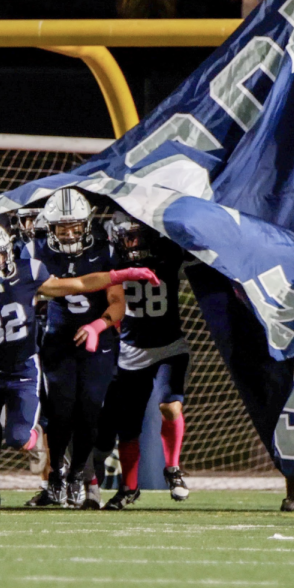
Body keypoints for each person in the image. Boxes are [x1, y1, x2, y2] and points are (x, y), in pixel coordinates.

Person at [0, 221, 158, 510]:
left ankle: (37, 437)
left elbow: (78, 284)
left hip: (22, 371)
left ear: (7, 254)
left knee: (16, 438)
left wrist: (122, 274)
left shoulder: (30, 273)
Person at [29, 188, 125, 509]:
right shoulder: (38, 250)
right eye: (62, 226)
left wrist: (98, 325)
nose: (69, 232)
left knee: (89, 411)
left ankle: (76, 478)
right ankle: (57, 471)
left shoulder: (104, 249)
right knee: (60, 411)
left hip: (98, 341)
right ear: (50, 226)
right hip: (59, 337)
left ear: (86, 224)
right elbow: (36, 288)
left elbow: (116, 302)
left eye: (74, 226)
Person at [97, 212, 191, 510]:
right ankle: (129, 488)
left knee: (169, 405)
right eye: (129, 235)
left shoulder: (170, 253)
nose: (135, 242)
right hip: (130, 353)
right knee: (128, 427)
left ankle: (173, 468)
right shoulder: (111, 261)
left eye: (140, 234)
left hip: (170, 347)